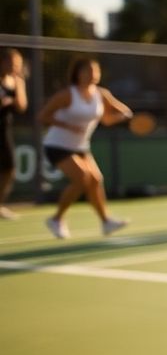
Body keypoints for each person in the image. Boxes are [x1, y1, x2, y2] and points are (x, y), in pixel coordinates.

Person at [37, 58, 132, 239]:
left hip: (80, 146)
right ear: (77, 73)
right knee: (82, 179)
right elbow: (42, 116)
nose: (92, 74)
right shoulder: (67, 95)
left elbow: (109, 118)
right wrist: (67, 125)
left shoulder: (101, 94)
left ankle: (106, 222)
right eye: (87, 71)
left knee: (95, 180)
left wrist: (125, 116)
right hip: (57, 144)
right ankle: (56, 219)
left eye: (95, 71)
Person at [0, 48, 28, 219]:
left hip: (4, 130)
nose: (14, 67)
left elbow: (21, 106)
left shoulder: (17, 81)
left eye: (17, 64)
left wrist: (16, 90)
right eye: (11, 63)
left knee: (9, 169)